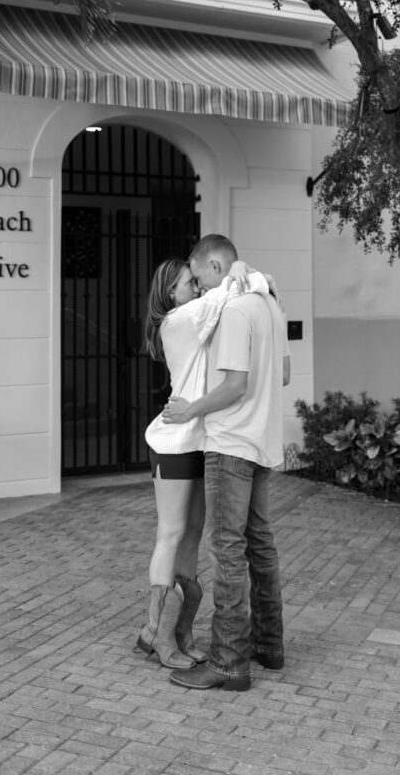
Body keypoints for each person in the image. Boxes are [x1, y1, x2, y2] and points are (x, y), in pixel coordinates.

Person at [162, 233, 290, 692]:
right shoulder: (270, 305)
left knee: (228, 552)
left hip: (232, 443)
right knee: (260, 543)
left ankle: (229, 662)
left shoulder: (235, 311)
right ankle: (269, 646)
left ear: (217, 266)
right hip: (262, 442)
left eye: (198, 277)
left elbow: (234, 386)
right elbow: (285, 374)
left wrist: (190, 410)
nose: (198, 287)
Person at [136, 256, 270, 670]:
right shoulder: (177, 320)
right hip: (174, 441)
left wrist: (244, 273)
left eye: (195, 282)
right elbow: (228, 293)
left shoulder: (198, 318)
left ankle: (180, 633)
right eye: (186, 283)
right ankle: (157, 635)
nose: (194, 288)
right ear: (169, 294)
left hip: (197, 436)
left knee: (193, 534)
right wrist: (238, 270)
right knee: (171, 533)